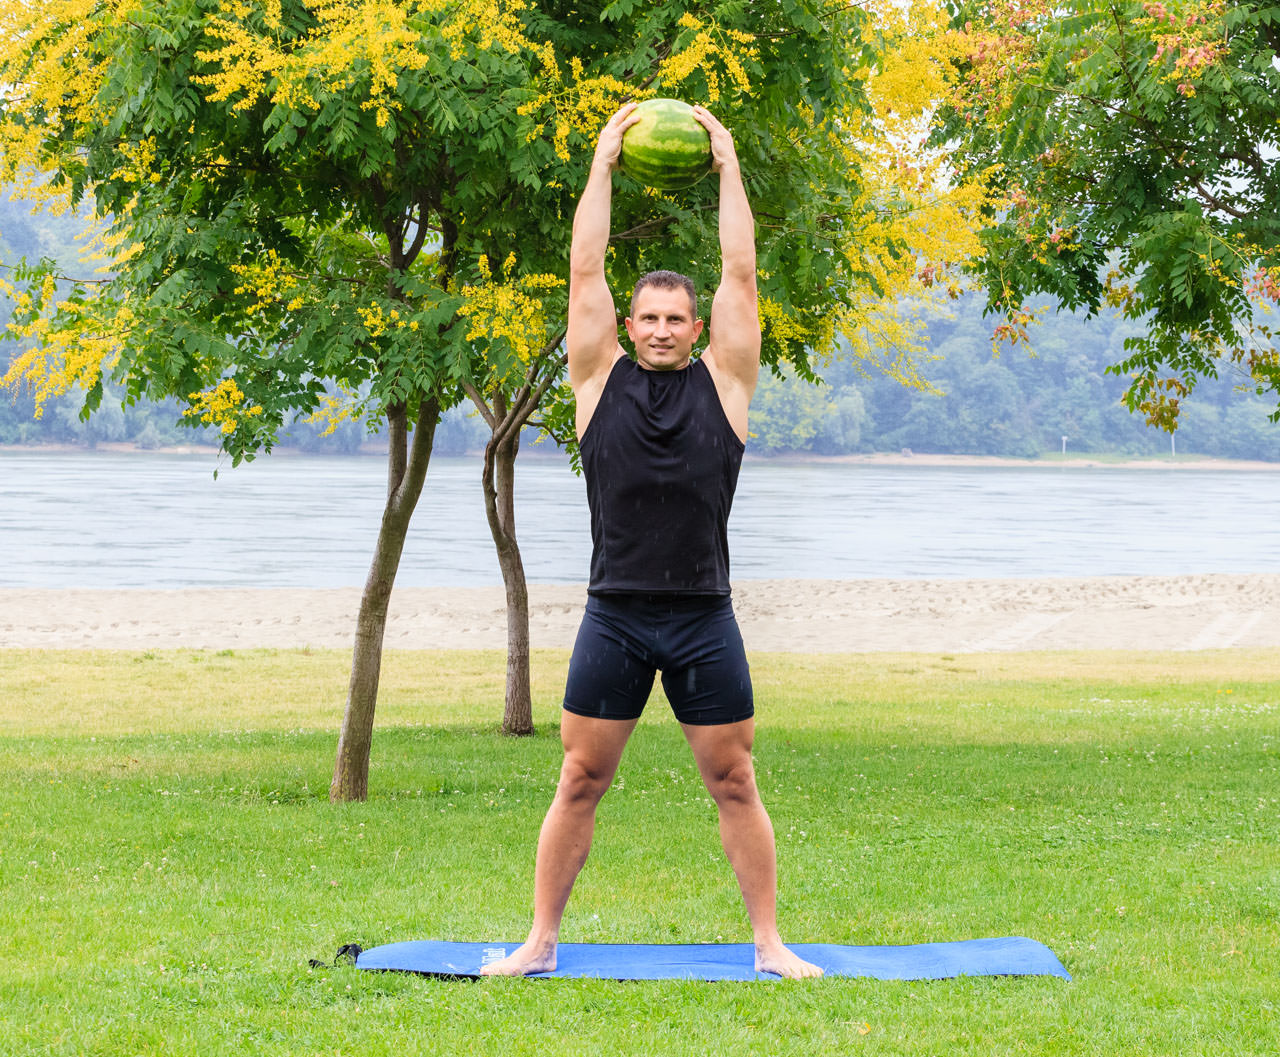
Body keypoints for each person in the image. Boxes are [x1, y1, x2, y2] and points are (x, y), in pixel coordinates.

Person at [481, 103, 821, 979]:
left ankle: (769, 943)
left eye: (678, 317)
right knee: (579, 779)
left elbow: (741, 273)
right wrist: (600, 162)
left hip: (705, 616)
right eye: (650, 318)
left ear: (697, 327)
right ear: (628, 328)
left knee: (735, 779)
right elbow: (583, 268)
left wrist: (729, 166)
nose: (664, 328)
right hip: (618, 616)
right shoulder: (596, 380)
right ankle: (540, 941)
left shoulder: (729, 383)